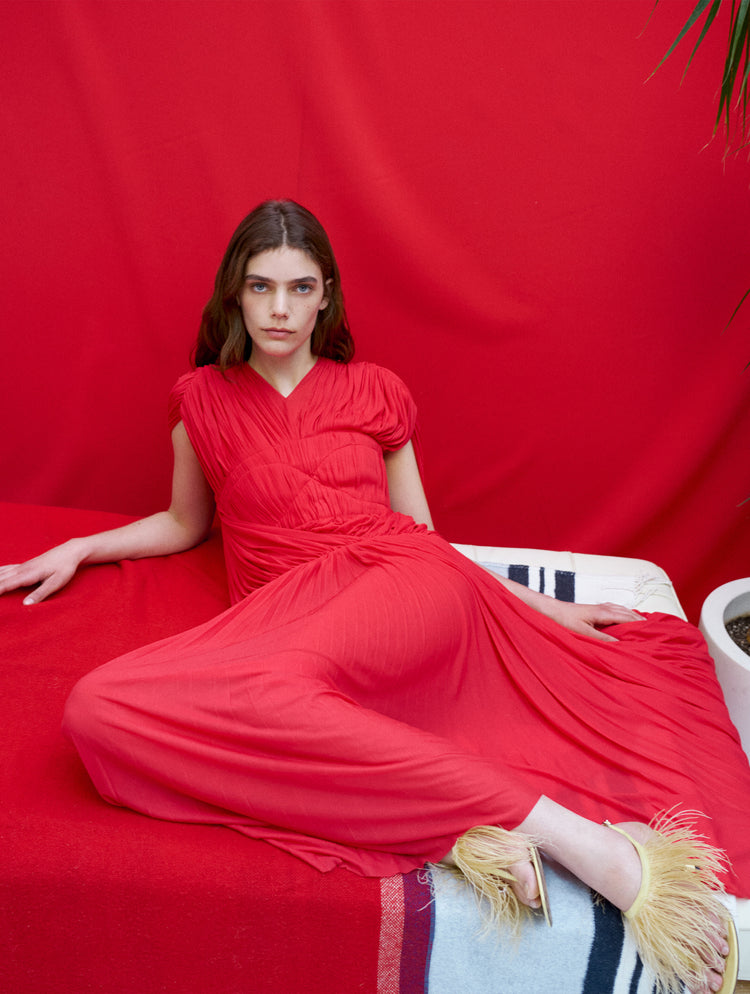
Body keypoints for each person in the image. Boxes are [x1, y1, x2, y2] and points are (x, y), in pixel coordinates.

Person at [1, 199, 747, 994]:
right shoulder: (203, 404)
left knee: (267, 694)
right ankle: (460, 826)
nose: (279, 309)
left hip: (398, 582)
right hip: (285, 617)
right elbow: (185, 524)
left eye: (299, 287)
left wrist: (537, 608)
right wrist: (81, 546)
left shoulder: (375, 391)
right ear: (234, 295)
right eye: (260, 288)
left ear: (327, 296)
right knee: (98, 710)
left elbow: (423, 533)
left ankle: (589, 847)